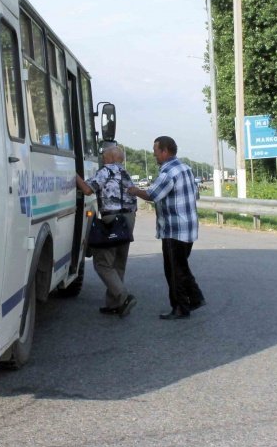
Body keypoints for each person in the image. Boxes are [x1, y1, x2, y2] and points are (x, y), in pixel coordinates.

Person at [128, 136, 204, 320]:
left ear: (165, 151)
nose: (154, 155)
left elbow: (152, 195)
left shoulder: (168, 172)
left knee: (174, 270)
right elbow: (196, 195)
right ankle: (195, 298)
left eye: (155, 151)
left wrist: (134, 190)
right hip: (189, 227)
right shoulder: (186, 168)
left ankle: (180, 307)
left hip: (174, 229)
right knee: (181, 266)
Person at [75, 144, 138, 317]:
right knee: (118, 262)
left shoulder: (106, 171)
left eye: (104, 155)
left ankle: (123, 297)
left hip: (112, 219)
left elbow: (88, 190)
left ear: (110, 157)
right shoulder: (125, 172)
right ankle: (114, 304)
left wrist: (74, 176)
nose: (102, 158)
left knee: (102, 262)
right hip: (129, 219)